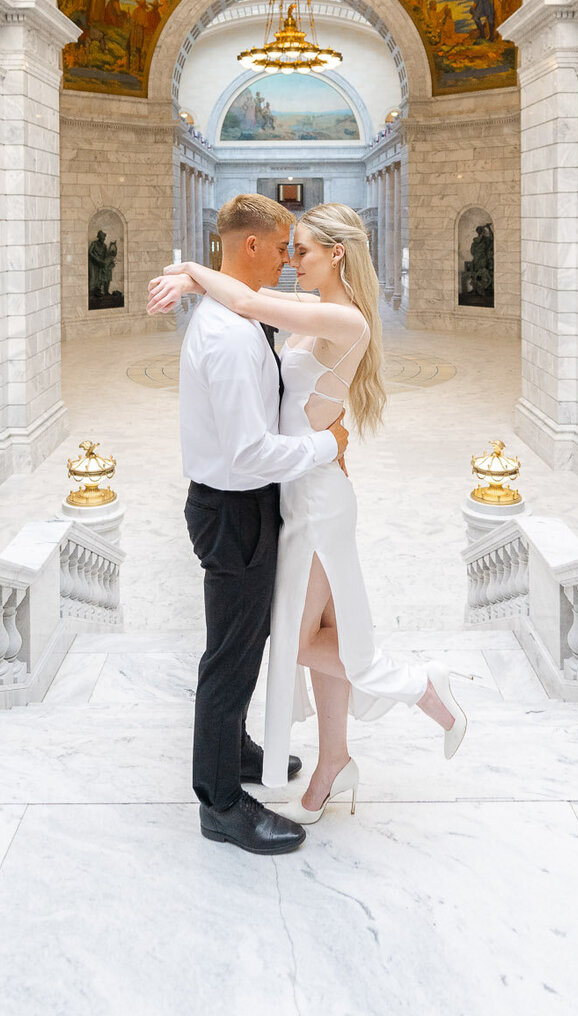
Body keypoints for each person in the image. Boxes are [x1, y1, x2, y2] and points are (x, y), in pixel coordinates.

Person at [149, 202, 470, 828]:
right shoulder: (298, 318)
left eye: (301, 251)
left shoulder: (340, 317)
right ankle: (333, 761)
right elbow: (250, 316)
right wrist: (200, 273)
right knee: (301, 632)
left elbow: (245, 302)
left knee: (296, 639)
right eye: (285, 249)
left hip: (316, 498)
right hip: (290, 488)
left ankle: (420, 684)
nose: (290, 262)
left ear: (337, 253)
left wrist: (191, 269)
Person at [159, 193, 350, 857]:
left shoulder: (231, 316)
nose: (287, 260)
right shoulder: (232, 337)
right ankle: (221, 805)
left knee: (240, 642)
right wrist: (328, 449)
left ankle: (234, 749)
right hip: (234, 504)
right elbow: (249, 452)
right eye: (280, 247)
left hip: (238, 503)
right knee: (231, 657)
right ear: (250, 247)